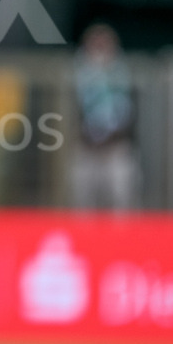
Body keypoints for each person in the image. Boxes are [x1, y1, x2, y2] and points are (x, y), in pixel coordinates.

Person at [70, 22, 137, 209]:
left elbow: (129, 111)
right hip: (86, 146)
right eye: (95, 43)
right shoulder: (77, 72)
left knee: (121, 199)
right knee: (83, 203)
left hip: (117, 146)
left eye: (104, 43)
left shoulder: (123, 72)